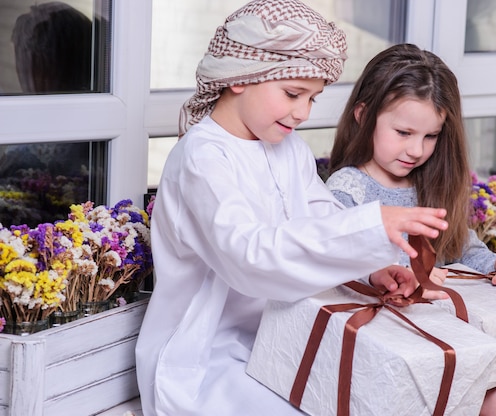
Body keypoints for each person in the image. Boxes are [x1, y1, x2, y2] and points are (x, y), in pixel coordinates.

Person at [135, 3, 450, 415]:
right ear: (239, 79)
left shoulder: (288, 149)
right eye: (292, 94)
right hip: (208, 354)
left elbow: (322, 219)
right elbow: (250, 257)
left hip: (286, 337)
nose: (302, 112)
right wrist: (370, 225)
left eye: (313, 98)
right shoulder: (201, 159)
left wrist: (372, 267)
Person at [326, 43, 496, 416]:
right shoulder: (347, 188)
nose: (417, 150)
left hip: (443, 339)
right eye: (403, 132)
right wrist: (397, 275)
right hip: (384, 347)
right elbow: (334, 263)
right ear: (363, 115)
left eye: (430, 136)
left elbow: (465, 250)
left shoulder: (431, 187)